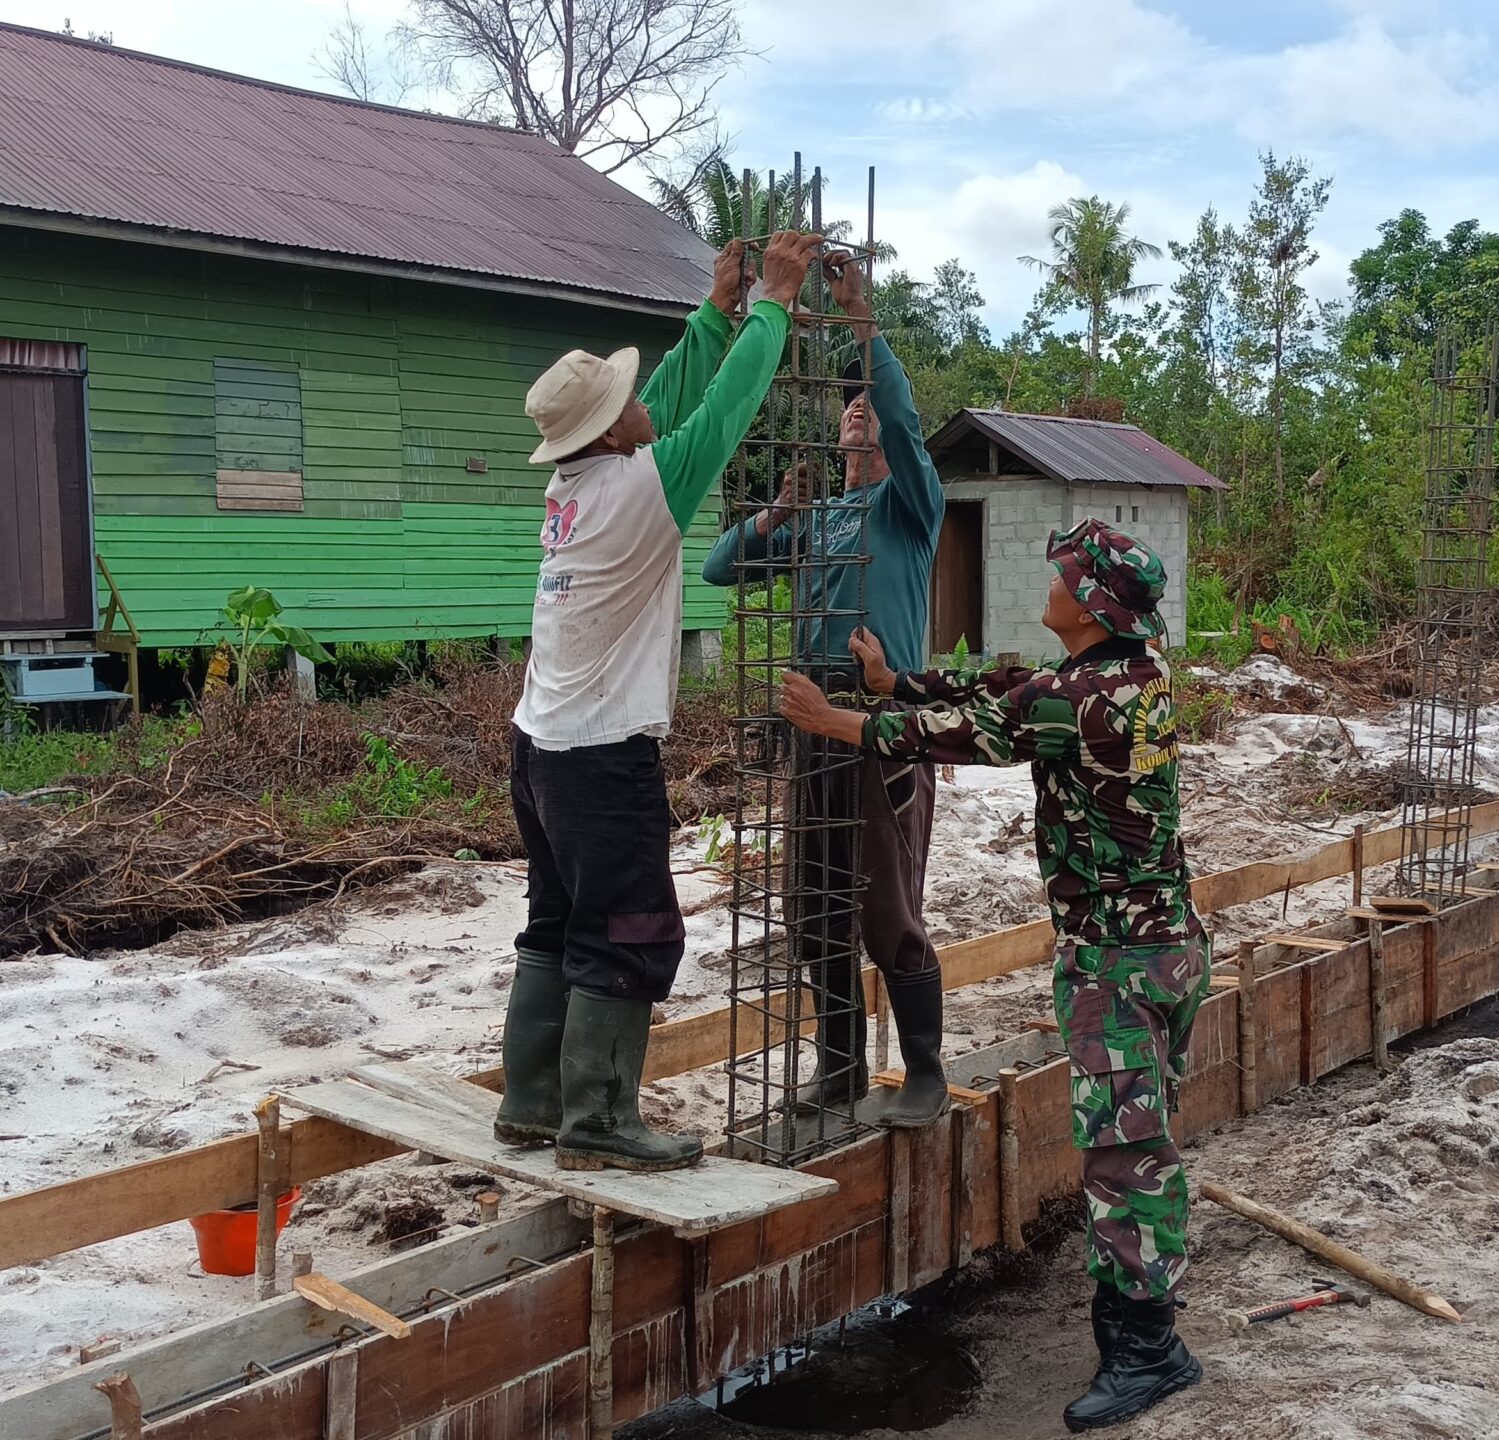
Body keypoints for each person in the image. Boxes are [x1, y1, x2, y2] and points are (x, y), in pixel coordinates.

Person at [776, 521, 1207, 1431]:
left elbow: (970, 729)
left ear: (1091, 609)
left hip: (1116, 964)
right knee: (1147, 1141)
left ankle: (1147, 1353)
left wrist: (838, 720)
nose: (1047, 586)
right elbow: (1002, 683)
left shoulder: (1079, 705)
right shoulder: (1133, 677)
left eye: (1062, 578)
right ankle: (1147, 1317)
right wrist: (902, 680)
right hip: (1166, 945)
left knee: (1126, 1159)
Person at [494, 230, 826, 1174]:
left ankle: (533, 1100)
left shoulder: (579, 484)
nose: (645, 405)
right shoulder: (644, 489)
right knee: (633, 927)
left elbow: (666, 406)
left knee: (557, 919)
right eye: (625, 401)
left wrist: (713, 314)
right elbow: (721, 412)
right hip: (601, 755)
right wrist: (772, 304)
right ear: (609, 431)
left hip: (541, 746)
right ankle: (598, 1120)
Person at [700, 256, 949, 1127]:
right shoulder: (815, 522)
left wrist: (861, 321)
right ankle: (840, 1064)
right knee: (812, 905)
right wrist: (769, 516)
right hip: (812, 721)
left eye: (867, 402)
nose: (857, 406)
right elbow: (719, 567)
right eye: (848, 401)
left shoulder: (909, 509)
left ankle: (923, 1071)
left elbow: (910, 426)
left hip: (880, 717)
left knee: (885, 903)